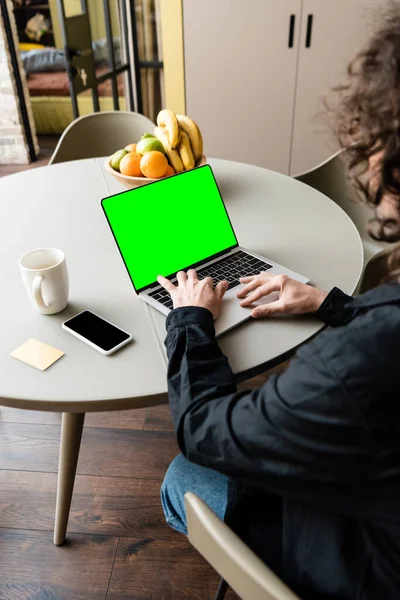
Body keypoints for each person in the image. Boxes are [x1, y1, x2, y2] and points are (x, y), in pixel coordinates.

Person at [158, 10, 400, 600]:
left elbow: (205, 431)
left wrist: (190, 319)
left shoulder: (351, 365)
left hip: (358, 568)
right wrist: (333, 304)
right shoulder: (372, 331)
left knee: (180, 478)